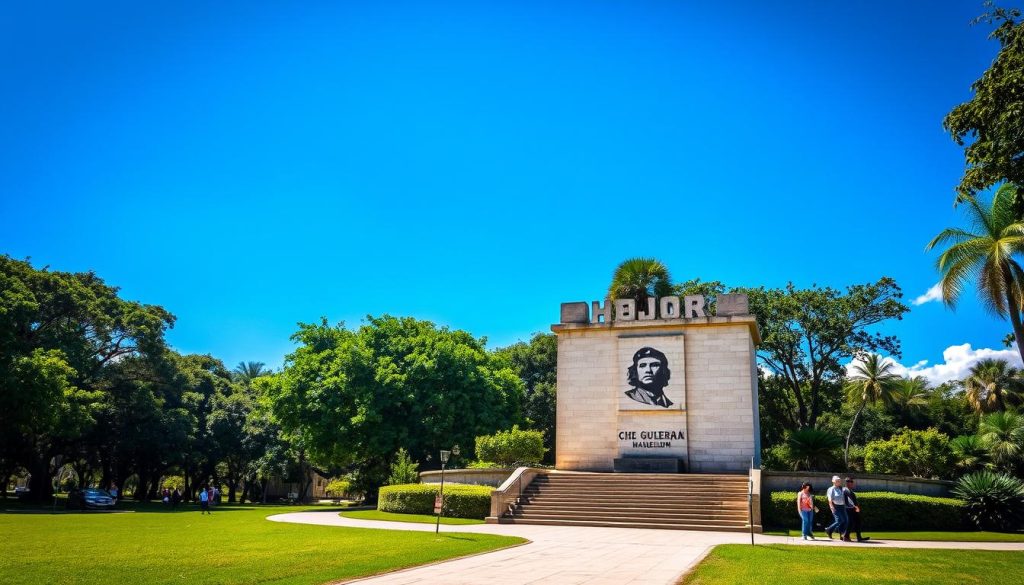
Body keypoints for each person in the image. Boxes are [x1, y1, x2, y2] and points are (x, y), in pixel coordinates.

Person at [843, 477, 869, 542]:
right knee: (850, 522)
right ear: (846, 483)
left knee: (858, 521)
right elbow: (850, 501)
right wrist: (856, 507)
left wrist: (856, 507)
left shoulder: (850, 490)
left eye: (852, 482)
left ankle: (859, 537)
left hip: (853, 509)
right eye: (850, 482)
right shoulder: (846, 490)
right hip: (849, 509)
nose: (851, 483)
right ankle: (846, 536)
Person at [825, 475, 848, 540]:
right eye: (837, 481)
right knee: (839, 520)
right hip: (835, 506)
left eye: (839, 481)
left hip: (842, 506)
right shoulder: (831, 489)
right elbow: (830, 499)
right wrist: (832, 507)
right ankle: (829, 529)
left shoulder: (841, 488)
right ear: (833, 481)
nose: (838, 482)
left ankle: (842, 535)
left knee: (845, 520)